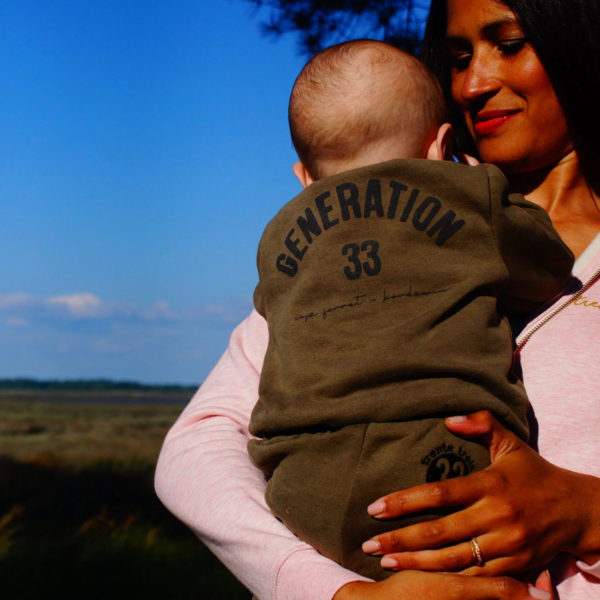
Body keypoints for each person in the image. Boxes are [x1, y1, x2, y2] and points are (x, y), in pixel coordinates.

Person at [155, 0, 600, 598]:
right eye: (458, 57)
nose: (472, 83)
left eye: (511, 44)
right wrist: (333, 592)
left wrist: (582, 510)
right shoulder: (360, 234)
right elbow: (198, 446)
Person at [248, 39, 573, 581]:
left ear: (304, 175)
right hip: (440, 456)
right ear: (440, 145)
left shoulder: (278, 235)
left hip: (301, 480)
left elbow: (271, 313)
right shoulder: (468, 194)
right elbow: (548, 266)